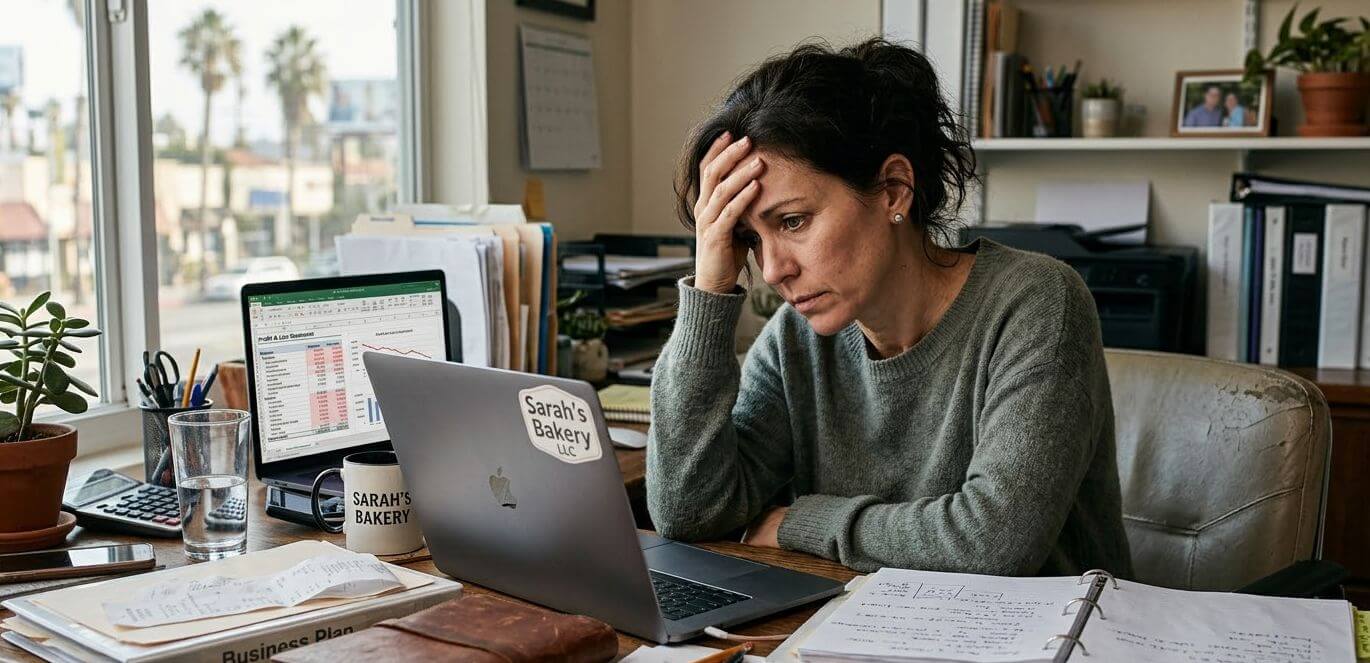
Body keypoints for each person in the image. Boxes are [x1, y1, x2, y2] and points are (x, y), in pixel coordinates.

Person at [647, 37, 1134, 577]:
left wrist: (795, 523)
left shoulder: (1037, 303)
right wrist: (710, 290)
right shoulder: (797, 336)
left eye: (793, 222)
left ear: (894, 190)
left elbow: (994, 542)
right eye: (749, 239)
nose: (772, 270)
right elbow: (688, 510)